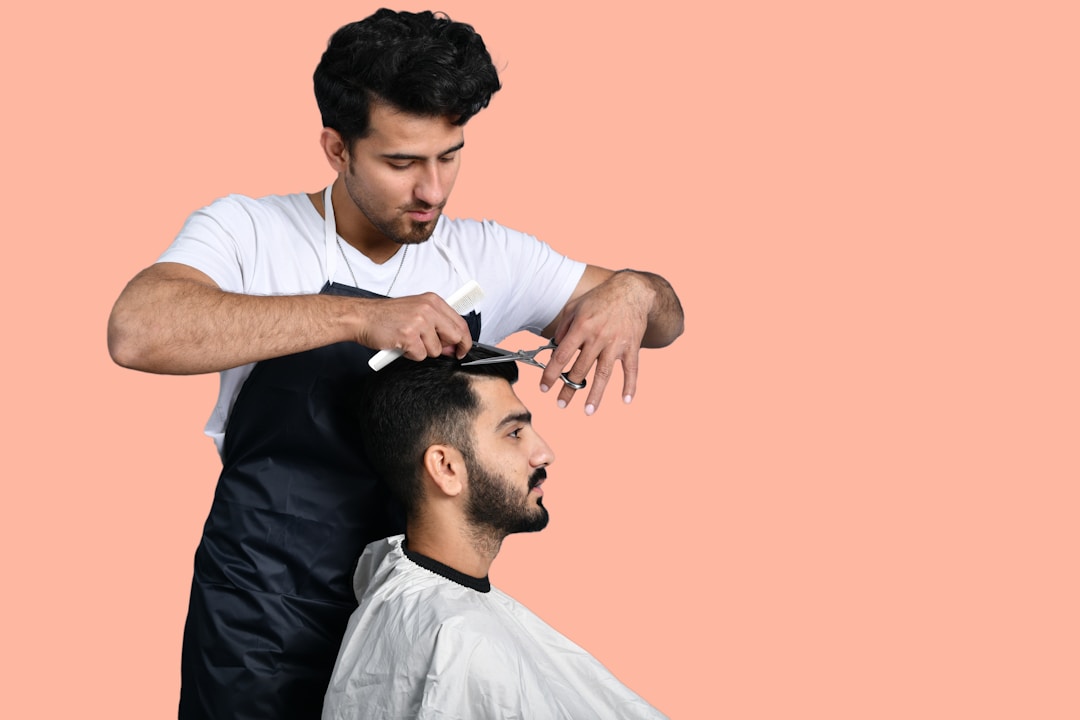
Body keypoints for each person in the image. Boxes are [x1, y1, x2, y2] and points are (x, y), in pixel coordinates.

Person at [107, 8, 683, 719]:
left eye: (450, 156)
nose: (433, 191)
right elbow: (138, 330)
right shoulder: (251, 231)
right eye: (402, 162)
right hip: (265, 612)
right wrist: (360, 316)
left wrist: (632, 291)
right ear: (337, 148)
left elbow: (665, 318)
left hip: (412, 613)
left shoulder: (486, 255)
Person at [323, 352, 667, 719]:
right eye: (514, 433)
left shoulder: (423, 600)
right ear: (446, 467)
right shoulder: (457, 641)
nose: (544, 453)